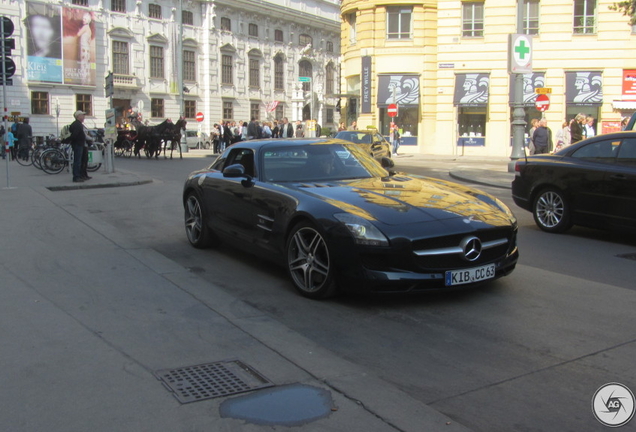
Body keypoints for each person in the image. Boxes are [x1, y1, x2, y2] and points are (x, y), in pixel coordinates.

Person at [77, 12, 92, 85]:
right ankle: (86, 80)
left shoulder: (85, 27)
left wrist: (79, 29)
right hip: (87, 48)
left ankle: (83, 80)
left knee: (83, 64)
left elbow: (78, 34)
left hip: (83, 48)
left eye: (84, 19)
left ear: (87, 20)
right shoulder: (89, 29)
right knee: (86, 65)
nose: (83, 20)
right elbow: (89, 41)